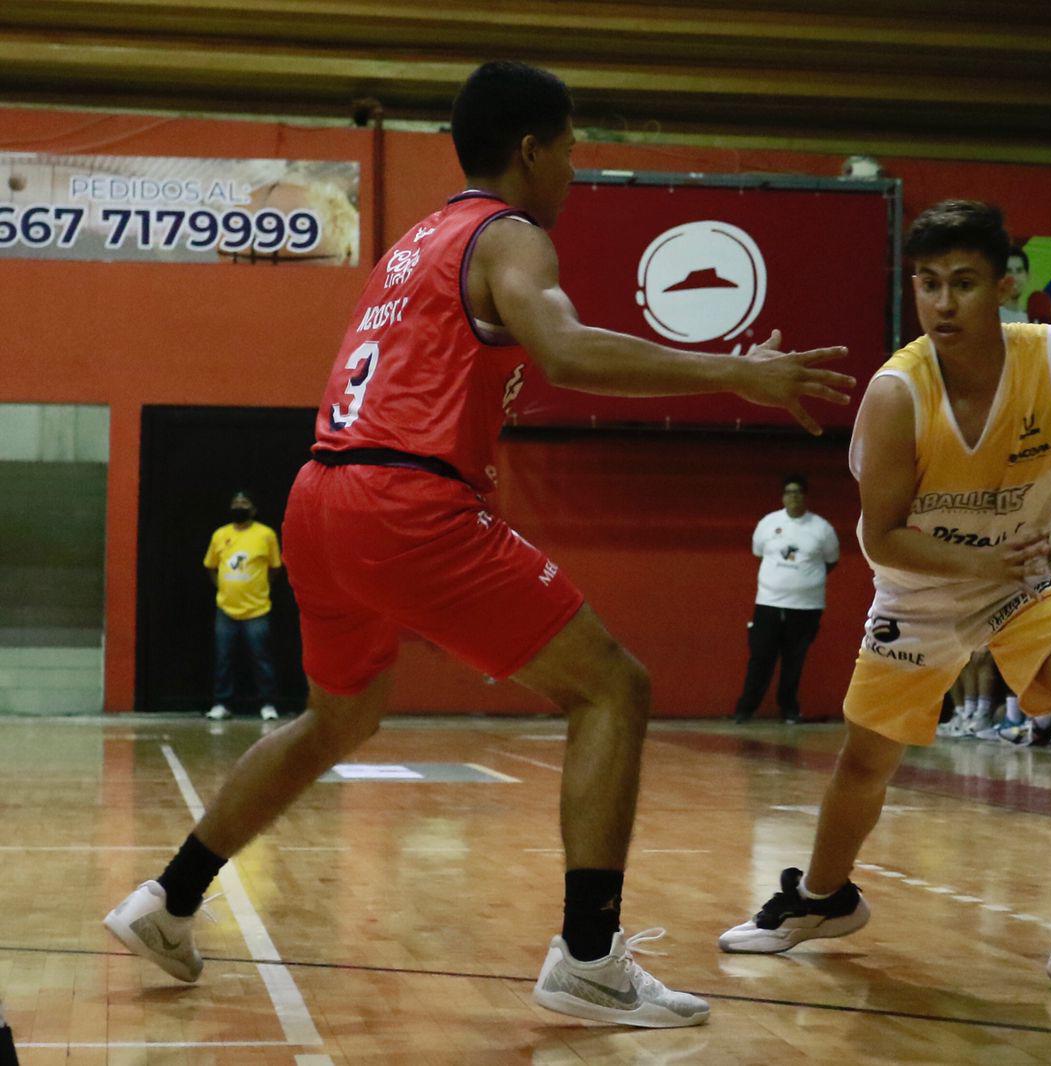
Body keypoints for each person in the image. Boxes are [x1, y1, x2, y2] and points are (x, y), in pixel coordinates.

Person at [102, 60, 854, 1030]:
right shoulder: (511, 237)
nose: (577, 168)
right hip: (405, 501)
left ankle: (168, 899)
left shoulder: (419, 239)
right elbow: (569, 350)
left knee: (337, 718)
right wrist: (738, 376)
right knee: (613, 686)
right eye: (573, 146)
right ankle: (588, 956)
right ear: (532, 148)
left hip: (319, 497)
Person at [717, 200, 1051, 999]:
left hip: (1026, 581)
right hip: (923, 587)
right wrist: (986, 563)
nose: (942, 302)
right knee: (867, 763)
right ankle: (823, 898)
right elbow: (884, 537)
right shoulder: (897, 393)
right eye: (928, 284)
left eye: (963, 284)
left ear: (1004, 284)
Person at [733, 474, 841, 724]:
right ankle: (745, 709)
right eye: (789, 492)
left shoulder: (822, 529)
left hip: (806, 608)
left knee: (794, 660)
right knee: (761, 658)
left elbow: (831, 561)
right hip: (769, 604)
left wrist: (804, 582)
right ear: (783, 497)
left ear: (805, 496)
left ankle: (789, 710)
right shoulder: (768, 524)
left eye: (798, 492)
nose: (793, 496)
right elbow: (759, 553)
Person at [202, 490, 282, 721]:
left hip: (257, 609)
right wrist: (223, 587)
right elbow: (210, 566)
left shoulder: (265, 534)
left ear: (253, 509)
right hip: (226, 609)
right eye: (235, 502)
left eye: (244, 502)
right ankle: (222, 703)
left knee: (262, 659)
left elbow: (275, 568)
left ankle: (267, 704)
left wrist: (259, 587)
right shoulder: (220, 535)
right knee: (223, 659)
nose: (239, 505)